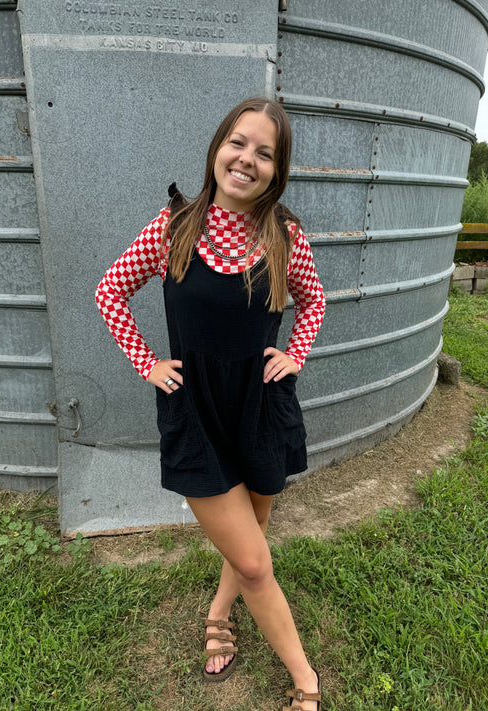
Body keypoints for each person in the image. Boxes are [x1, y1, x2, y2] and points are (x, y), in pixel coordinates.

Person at [95, 97, 326, 710]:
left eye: (265, 153)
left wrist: (295, 354)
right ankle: (307, 681)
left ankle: (220, 613)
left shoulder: (284, 238)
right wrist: (148, 364)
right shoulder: (175, 228)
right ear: (217, 148)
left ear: (278, 171)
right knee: (254, 561)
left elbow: (314, 302)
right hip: (196, 410)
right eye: (238, 142)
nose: (247, 159)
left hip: (261, 409)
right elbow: (109, 290)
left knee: (252, 538)